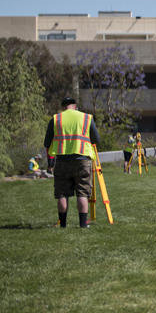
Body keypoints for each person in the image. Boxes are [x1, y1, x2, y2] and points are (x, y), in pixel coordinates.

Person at [43, 97, 100, 228]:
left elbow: (46, 143)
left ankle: (63, 225)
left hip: (62, 160)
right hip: (83, 160)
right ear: (75, 106)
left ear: (63, 107)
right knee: (82, 193)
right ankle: (82, 225)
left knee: (62, 194)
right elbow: (96, 139)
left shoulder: (56, 119)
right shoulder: (86, 118)